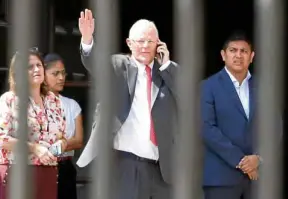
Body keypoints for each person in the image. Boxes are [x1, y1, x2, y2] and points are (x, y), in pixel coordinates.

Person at [76, 9, 179, 199]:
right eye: (140, 41)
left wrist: (166, 66)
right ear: (129, 43)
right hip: (126, 163)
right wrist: (88, 40)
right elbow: (94, 62)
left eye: (151, 41)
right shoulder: (118, 65)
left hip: (161, 168)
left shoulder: (168, 72)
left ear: (159, 44)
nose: (146, 46)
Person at [0, 48, 67, 199]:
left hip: (48, 172)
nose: (36, 69)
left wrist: (57, 148)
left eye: (39, 65)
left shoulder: (54, 100)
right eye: (30, 67)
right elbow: (1, 139)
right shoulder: (9, 99)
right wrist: (35, 148)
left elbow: (62, 137)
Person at [201, 32, 259, 199]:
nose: (238, 55)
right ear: (223, 55)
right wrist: (242, 161)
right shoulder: (207, 87)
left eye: (244, 51)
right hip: (221, 178)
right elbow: (207, 129)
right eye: (233, 50)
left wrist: (259, 158)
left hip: (258, 178)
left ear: (252, 56)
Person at [44, 53, 84, 199]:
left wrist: (51, 148)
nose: (61, 78)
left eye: (63, 73)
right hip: (39, 167)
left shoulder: (72, 105)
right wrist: (65, 142)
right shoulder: (34, 103)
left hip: (65, 166)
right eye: (55, 73)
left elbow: (78, 140)